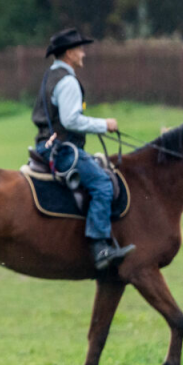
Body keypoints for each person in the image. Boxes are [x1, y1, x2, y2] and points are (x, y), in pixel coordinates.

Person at [32, 28, 134, 271]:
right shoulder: (68, 81)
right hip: (62, 150)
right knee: (102, 184)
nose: (83, 53)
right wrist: (104, 125)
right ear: (69, 53)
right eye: (79, 49)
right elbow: (71, 121)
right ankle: (100, 248)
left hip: (47, 144)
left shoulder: (51, 75)